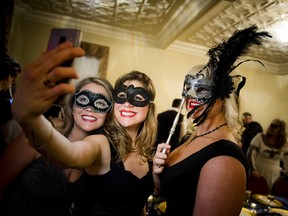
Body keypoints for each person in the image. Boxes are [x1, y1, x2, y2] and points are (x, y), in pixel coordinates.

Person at [11, 41, 157, 215]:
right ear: (72, 104)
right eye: (122, 96)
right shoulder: (100, 142)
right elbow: (71, 155)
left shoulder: (150, 153)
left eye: (138, 97)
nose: (127, 103)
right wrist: (30, 119)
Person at [152, 25, 271, 216]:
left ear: (222, 95)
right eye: (188, 90)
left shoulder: (225, 158)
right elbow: (171, 193)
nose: (191, 98)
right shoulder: (192, 136)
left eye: (201, 91)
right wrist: (158, 175)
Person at [0, 76, 114, 216]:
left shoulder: (99, 151)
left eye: (101, 103)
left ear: (108, 113)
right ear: (72, 105)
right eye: (83, 100)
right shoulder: (41, 133)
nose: (90, 108)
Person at [247, 118, 288, 192]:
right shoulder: (260, 137)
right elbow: (250, 153)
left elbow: (287, 160)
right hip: (257, 173)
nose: (271, 128)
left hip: (274, 176)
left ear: (281, 129)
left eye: (275, 126)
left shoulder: (284, 143)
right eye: (271, 125)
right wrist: (253, 169)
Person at [0, 54, 22, 155]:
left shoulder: (10, 91)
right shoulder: (4, 103)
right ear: (9, 77)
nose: (13, 80)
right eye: (13, 76)